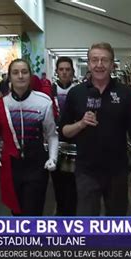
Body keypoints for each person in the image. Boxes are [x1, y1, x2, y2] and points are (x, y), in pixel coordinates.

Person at [60, 42, 131, 259]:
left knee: (117, 220)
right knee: (87, 222)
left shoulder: (126, 94)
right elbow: (64, 131)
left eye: (104, 60)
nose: (99, 65)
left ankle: (117, 257)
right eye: (94, 60)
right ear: (88, 63)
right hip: (86, 171)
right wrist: (80, 124)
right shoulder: (76, 94)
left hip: (117, 170)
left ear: (112, 64)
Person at [0, 58, 58, 216]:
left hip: (37, 164)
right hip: (12, 165)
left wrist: (53, 158)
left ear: (30, 76)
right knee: (16, 210)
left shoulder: (43, 102)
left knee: (33, 210)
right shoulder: (0, 105)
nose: (20, 76)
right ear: (9, 77)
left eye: (24, 72)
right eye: (15, 72)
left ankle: (32, 239)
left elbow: (52, 135)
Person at [49, 56, 79, 216]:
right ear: (57, 72)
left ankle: (72, 217)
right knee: (58, 183)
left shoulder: (80, 91)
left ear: (73, 72)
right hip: (56, 143)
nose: (65, 72)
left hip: (75, 143)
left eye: (68, 69)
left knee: (74, 185)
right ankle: (61, 215)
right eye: (61, 69)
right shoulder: (49, 92)